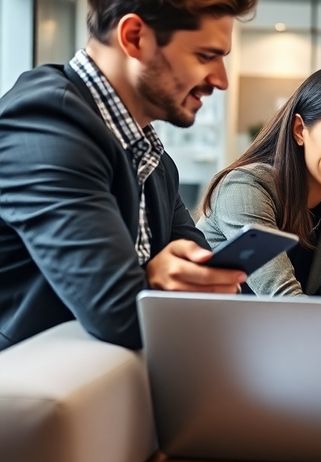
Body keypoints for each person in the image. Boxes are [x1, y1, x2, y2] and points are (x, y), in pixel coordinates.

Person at [0, 0, 256, 350]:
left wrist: (170, 280)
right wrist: (154, 280)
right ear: (134, 37)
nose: (221, 80)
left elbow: (217, 290)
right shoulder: (45, 125)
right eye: (205, 56)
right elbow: (119, 313)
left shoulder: (154, 161)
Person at [198, 67, 321, 296]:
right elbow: (281, 296)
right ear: (300, 130)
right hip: (212, 329)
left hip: (278, 330)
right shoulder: (245, 187)